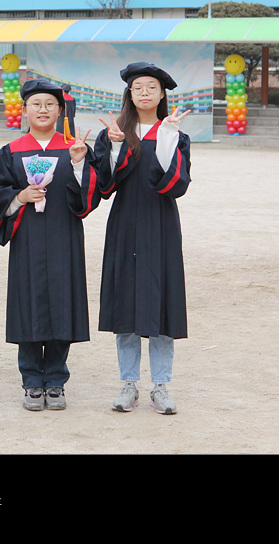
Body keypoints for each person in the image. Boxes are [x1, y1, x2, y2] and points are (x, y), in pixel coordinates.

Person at [0, 80, 100, 411]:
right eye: (36, 104)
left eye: (50, 104)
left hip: (64, 237)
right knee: (28, 304)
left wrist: (79, 164)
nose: (43, 110)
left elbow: (89, 197)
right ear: (24, 110)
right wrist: (20, 196)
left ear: (60, 110)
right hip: (27, 239)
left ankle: (55, 380)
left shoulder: (73, 148)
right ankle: (31, 381)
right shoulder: (10, 152)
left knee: (62, 305)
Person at [94, 62, 191, 415]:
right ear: (130, 94)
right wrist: (115, 147)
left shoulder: (175, 134)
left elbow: (176, 184)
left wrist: (166, 138)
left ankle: (161, 385)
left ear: (162, 93)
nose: (145, 92)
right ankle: (129, 384)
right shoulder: (114, 133)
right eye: (138, 87)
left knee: (163, 304)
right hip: (125, 225)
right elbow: (104, 186)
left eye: (152, 87)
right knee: (126, 304)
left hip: (161, 225)